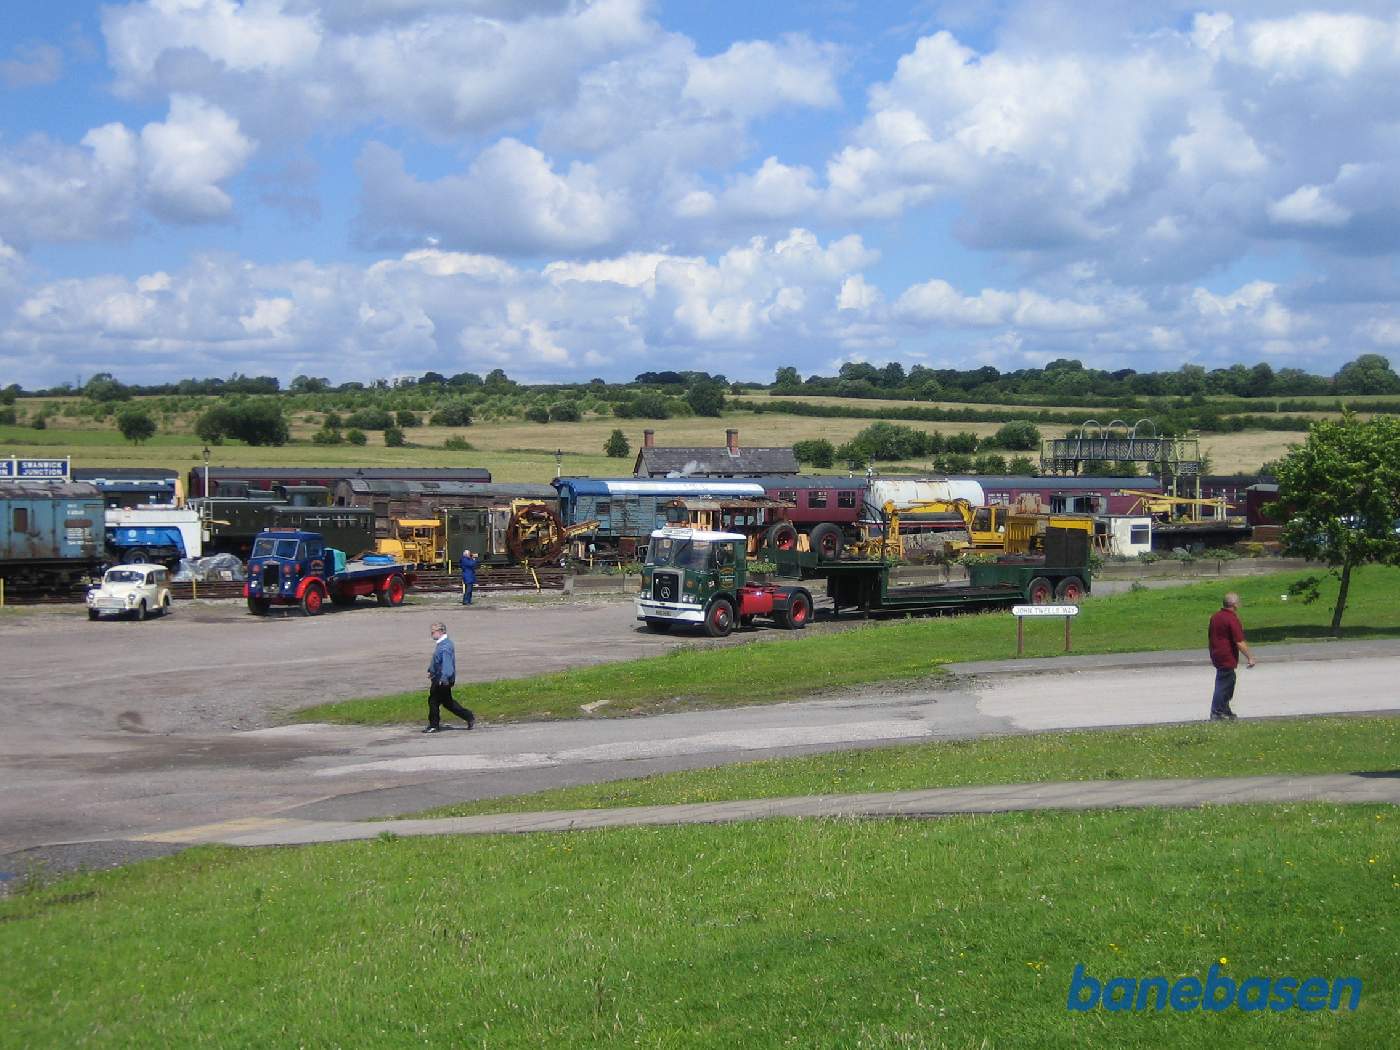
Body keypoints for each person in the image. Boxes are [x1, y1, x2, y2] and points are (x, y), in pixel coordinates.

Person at [1207, 592, 1256, 721]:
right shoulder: (1231, 619)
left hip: (1216, 653)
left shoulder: (1215, 617)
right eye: (1238, 602)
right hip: (1226, 655)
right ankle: (1217, 712)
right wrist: (1250, 657)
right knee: (1224, 684)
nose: (1240, 604)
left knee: (1229, 682)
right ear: (1234, 604)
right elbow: (1239, 641)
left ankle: (1225, 709)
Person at [424, 621, 474, 733]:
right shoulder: (442, 644)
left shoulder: (445, 647)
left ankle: (434, 725)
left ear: (440, 632)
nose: (432, 634)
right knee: (448, 703)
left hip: (442, 679)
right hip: (439, 677)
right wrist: (430, 670)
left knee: (433, 701)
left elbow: (447, 665)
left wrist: (444, 678)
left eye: (433, 632)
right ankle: (468, 716)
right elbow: (436, 662)